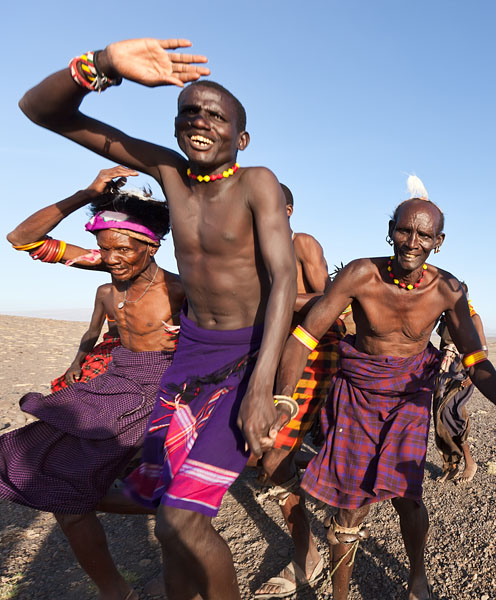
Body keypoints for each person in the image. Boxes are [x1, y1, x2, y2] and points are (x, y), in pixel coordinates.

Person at [20, 39, 297, 600]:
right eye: (190, 111)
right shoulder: (169, 172)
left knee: (180, 520)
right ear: (174, 127)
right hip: (188, 358)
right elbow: (40, 110)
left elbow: (284, 278)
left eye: (216, 116)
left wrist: (262, 387)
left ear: (241, 139)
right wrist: (100, 65)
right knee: (164, 508)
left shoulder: (256, 182)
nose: (201, 121)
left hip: (245, 357)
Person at [274, 176, 496, 600]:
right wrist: (283, 399)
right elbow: (305, 336)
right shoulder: (361, 274)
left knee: (407, 496)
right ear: (390, 230)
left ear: (439, 241)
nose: (412, 242)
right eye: (404, 230)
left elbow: (475, 358)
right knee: (349, 504)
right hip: (357, 396)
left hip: (410, 399)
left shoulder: (447, 289)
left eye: (424, 235)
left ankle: (417, 578)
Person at [2, 167, 183, 600]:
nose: (112, 258)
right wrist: (86, 193)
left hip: (157, 388)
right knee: (47, 480)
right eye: (104, 248)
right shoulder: (107, 275)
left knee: (81, 489)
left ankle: (175, 536)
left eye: (123, 249)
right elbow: (22, 239)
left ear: (151, 245)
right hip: (112, 381)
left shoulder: (180, 291)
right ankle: (116, 592)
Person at [253, 184, 346, 599]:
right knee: (260, 450)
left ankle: (306, 556)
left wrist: (278, 298)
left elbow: (329, 302)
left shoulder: (302, 244)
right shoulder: (251, 253)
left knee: (275, 455)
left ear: (287, 210)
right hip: (269, 350)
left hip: (313, 349)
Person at [432, 282, 485, 483]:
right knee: (439, 417)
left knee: (452, 413)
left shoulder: (473, 318)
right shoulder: (444, 317)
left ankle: (470, 462)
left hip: (463, 371)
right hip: (443, 372)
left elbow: (483, 351)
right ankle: (450, 465)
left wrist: (473, 374)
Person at [51, 282, 121, 392]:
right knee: (76, 384)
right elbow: (93, 331)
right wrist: (76, 363)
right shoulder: (105, 292)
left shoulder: (148, 292)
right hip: (110, 348)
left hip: (140, 349)